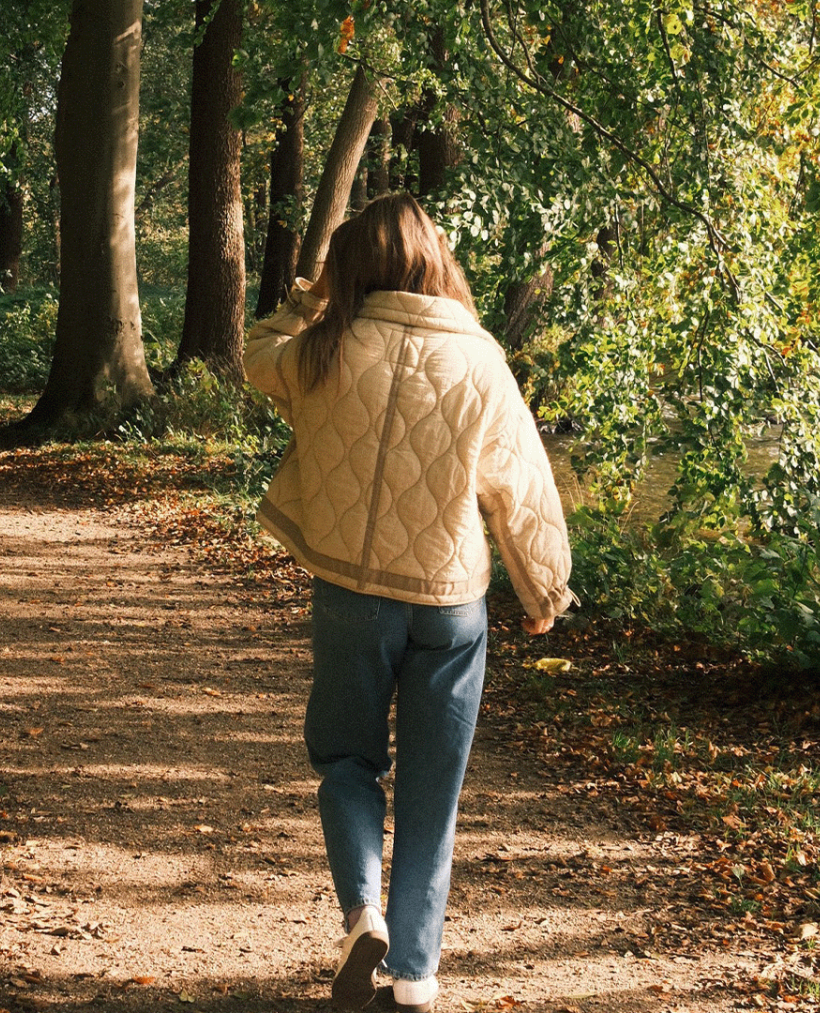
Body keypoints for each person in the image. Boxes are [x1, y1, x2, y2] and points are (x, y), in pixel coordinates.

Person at [243, 193, 576, 1012]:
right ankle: (418, 975)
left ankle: (363, 912)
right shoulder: (482, 358)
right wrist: (544, 588)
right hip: (450, 603)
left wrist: (310, 294)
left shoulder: (323, 347)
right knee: (434, 788)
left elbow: (256, 356)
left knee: (349, 760)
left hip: (353, 595)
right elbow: (523, 486)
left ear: (351, 267)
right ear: (436, 262)